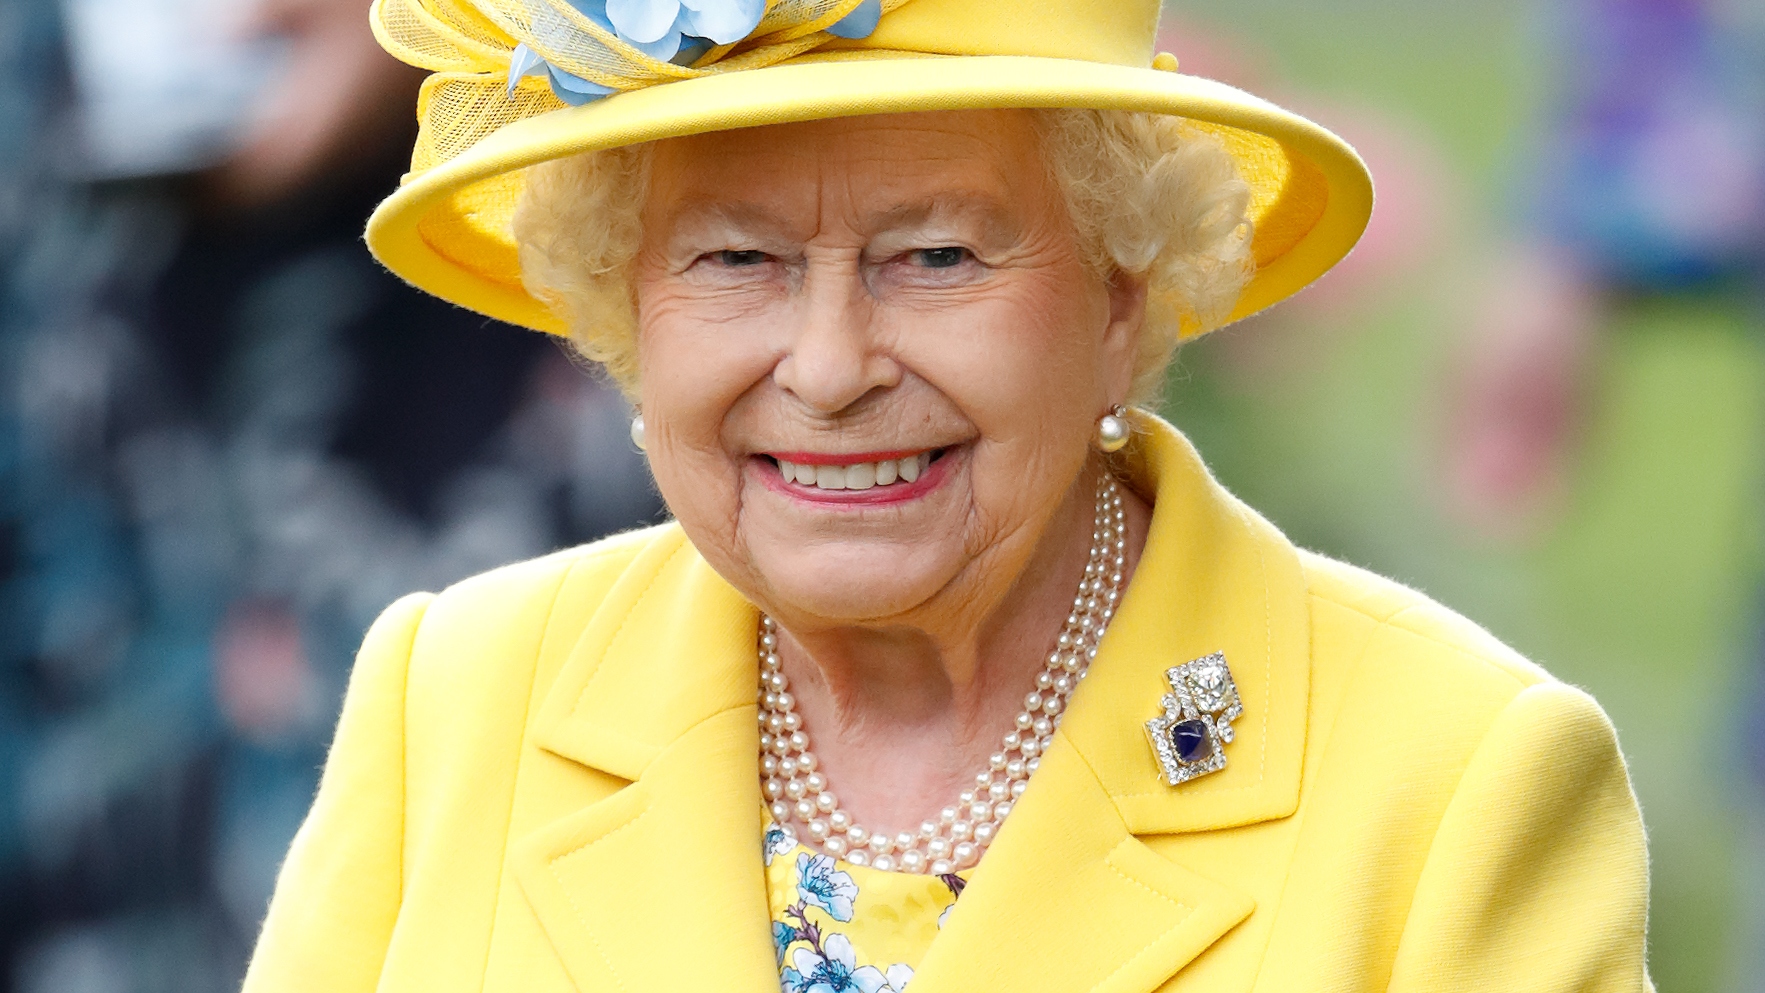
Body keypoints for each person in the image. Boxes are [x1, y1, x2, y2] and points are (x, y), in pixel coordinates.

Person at [242, 1, 1654, 990]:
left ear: (1120, 292)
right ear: (622, 305)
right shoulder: (454, 699)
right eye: (733, 262)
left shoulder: (1456, 781)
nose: (829, 366)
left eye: (934, 257)